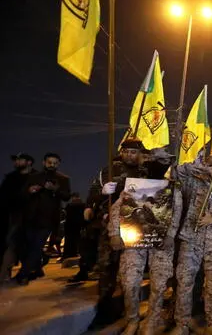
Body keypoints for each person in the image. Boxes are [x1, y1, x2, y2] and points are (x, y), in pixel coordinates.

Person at [74, 139, 148, 326]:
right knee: (107, 266)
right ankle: (105, 309)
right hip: (110, 226)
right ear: (121, 152)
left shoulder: (144, 172)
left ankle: (125, 307)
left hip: (134, 228)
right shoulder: (108, 170)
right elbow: (93, 194)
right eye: (127, 151)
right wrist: (100, 195)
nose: (130, 155)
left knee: (129, 270)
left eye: (134, 152)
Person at [107, 149, 178, 335]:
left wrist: (171, 235)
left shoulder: (172, 187)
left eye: (164, 162)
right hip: (134, 241)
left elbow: (177, 212)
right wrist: (114, 233)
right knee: (130, 282)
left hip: (161, 243)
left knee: (159, 284)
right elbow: (118, 208)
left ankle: (152, 320)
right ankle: (132, 320)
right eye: (157, 161)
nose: (161, 165)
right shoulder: (133, 185)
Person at [170, 155, 212, 335]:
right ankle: (182, 324)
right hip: (191, 238)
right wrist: (198, 167)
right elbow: (176, 172)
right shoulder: (193, 183)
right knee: (185, 281)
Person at [16, 153, 71, 285]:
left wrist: (55, 190)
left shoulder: (63, 179)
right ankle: (39, 266)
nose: (52, 165)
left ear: (58, 164)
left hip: (48, 219)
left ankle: (23, 275)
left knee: (36, 247)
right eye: (49, 162)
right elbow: (23, 194)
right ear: (44, 162)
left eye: (55, 163)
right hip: (30, 217)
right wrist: (30, 190)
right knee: (29, 247)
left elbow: (66, 196)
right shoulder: (34, 177)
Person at [0, 153, 36, 282]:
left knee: (27, 245)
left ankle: (26, 272)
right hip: (13, 216)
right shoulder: (10, 178)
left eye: (20, 160)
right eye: (16, 160)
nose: (16, 162)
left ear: (29, 162)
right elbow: (4, 197)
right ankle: (5, 273)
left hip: (31, 217)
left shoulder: (36, 177)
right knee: (10, 243)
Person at [63, 192, 85, 259]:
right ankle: (77, 253)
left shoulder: (69, 205)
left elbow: (67, 216)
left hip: (69, 226)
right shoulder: (83, 205)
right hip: (79, 225)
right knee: (78, 240)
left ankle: (68, 255)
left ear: (73, 197)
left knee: (69, 241)